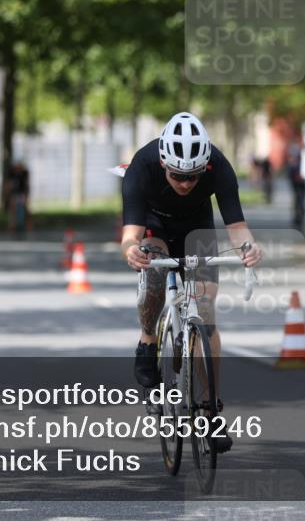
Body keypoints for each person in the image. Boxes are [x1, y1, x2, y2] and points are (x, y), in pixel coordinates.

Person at [120, 112, 262, 453]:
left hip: (197, 229)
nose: (185, 183)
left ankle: (210, 411)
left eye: (193, 176)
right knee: (154, 273)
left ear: (205, 167)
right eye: (178, 176)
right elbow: (130, 235)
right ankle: (148, 339)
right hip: (154, 226)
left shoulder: (219, 166)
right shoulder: (143, 165)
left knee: (206, 313)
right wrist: (131, 252)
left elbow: (236, 225)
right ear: (164, 163)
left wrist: (249, 247)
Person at [4, 156, 31, 232]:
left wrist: (26, 195)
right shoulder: (11, 172)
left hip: (21, 193)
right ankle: (13, 226)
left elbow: (26, 184)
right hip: (14, 193)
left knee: (24, 209)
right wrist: (8, 193)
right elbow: (8, 185)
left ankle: (25, 225)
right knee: (13, 210)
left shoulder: (24, 173)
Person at [286, 141, 305, 232]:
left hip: (302, 185)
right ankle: (297, 218)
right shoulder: (293, 165)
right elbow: (290, 175)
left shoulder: (303, 162)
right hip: (297, 185)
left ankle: (300, 217)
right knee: (298, 201)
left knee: (301, 201)